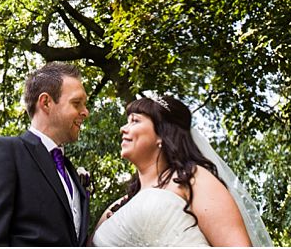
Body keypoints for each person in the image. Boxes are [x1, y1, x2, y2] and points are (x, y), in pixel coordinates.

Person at [91, 95, 273, 247]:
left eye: (135, 121)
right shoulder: (116, 208)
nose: (123, 128)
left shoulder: (193, 180)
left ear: (162, 134)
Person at [0, 62, 91, 246]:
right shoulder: (6, 152)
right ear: (46, 102)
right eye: (76, 103)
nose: (85, 112)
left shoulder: (70, 172)